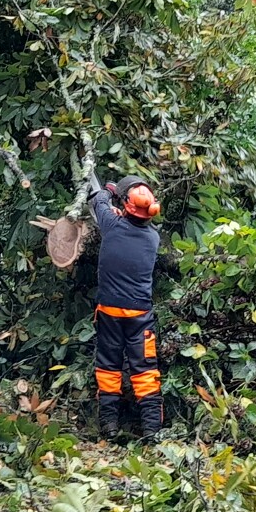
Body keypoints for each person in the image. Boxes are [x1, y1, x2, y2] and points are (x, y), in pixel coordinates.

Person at [88, 170, 165, 441]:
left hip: (109, 311)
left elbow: (98, 201)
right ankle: (152, 430)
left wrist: (109, 189)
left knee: (109, 367)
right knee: (144, 369)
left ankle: (109, 425)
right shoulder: (153, 238)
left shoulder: (111, 223)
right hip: (139, 315)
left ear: (126, 207)